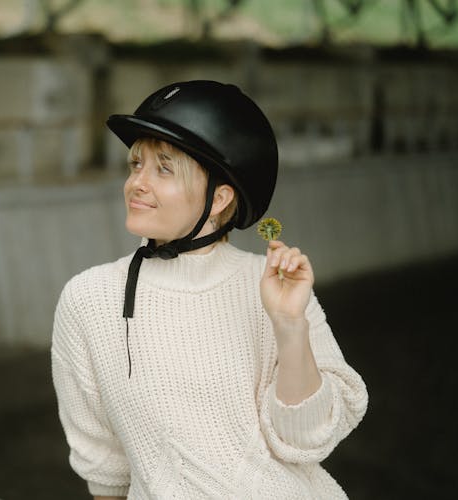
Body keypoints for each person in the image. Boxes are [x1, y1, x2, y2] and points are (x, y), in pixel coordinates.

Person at [51, 80, 368, 499]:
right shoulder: (87, 299)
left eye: (164, 168)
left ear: (219, 198)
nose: (137, 183)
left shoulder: (276, 286)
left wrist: (290, 325)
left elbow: (306, 440)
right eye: (136, 164)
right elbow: (104, 466)